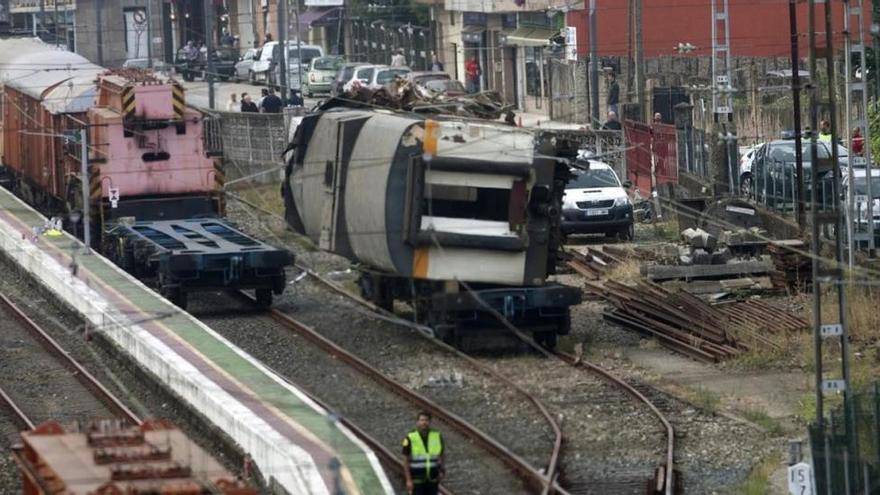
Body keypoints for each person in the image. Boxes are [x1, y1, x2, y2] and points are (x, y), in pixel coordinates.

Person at [402, 411, 445, 495]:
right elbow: (405, 459)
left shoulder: (437, 436)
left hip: (432, 479)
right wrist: (408, 480)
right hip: (417, 479)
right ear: (417, 422)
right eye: (422, 420)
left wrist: (442, 470)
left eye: (426, 420)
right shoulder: (410, 437)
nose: (424, 422)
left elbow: (441, 454)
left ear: (430, 422)